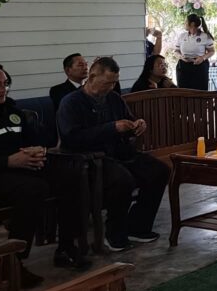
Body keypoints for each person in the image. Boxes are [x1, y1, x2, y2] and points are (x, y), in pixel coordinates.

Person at [0, 63, 90, 285]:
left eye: (6, 84)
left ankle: (67, 247)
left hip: (23, 168)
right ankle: (13, 263)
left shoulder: (12, 111)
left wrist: (37, 150)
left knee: (71, 172)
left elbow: (41, 139)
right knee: (33, 189)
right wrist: (8, 161)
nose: (3, 90)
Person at [57, 57, 169, 252]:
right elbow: (72, 138)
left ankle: (138, 226)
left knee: (159, 170)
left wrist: (136, 126)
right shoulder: (71, 102)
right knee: (122, 180)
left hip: (120, 153)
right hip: (90, 159)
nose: (110, 87)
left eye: (114, 82)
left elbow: (127, 121)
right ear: (92, 77)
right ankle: (114, 233)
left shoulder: (114, 99)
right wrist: (111, 128)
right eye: (107, 83)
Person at [173, 14, 214, 91]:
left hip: (199, 67)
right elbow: (176, 51)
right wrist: (181, 57)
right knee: (183, 92)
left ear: (192, 24)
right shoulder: (182, 36)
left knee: (200, 91)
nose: (184, 23)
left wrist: (202, 58)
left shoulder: (205, 36)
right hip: (183, 67)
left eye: (186, 22)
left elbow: (211, 51)